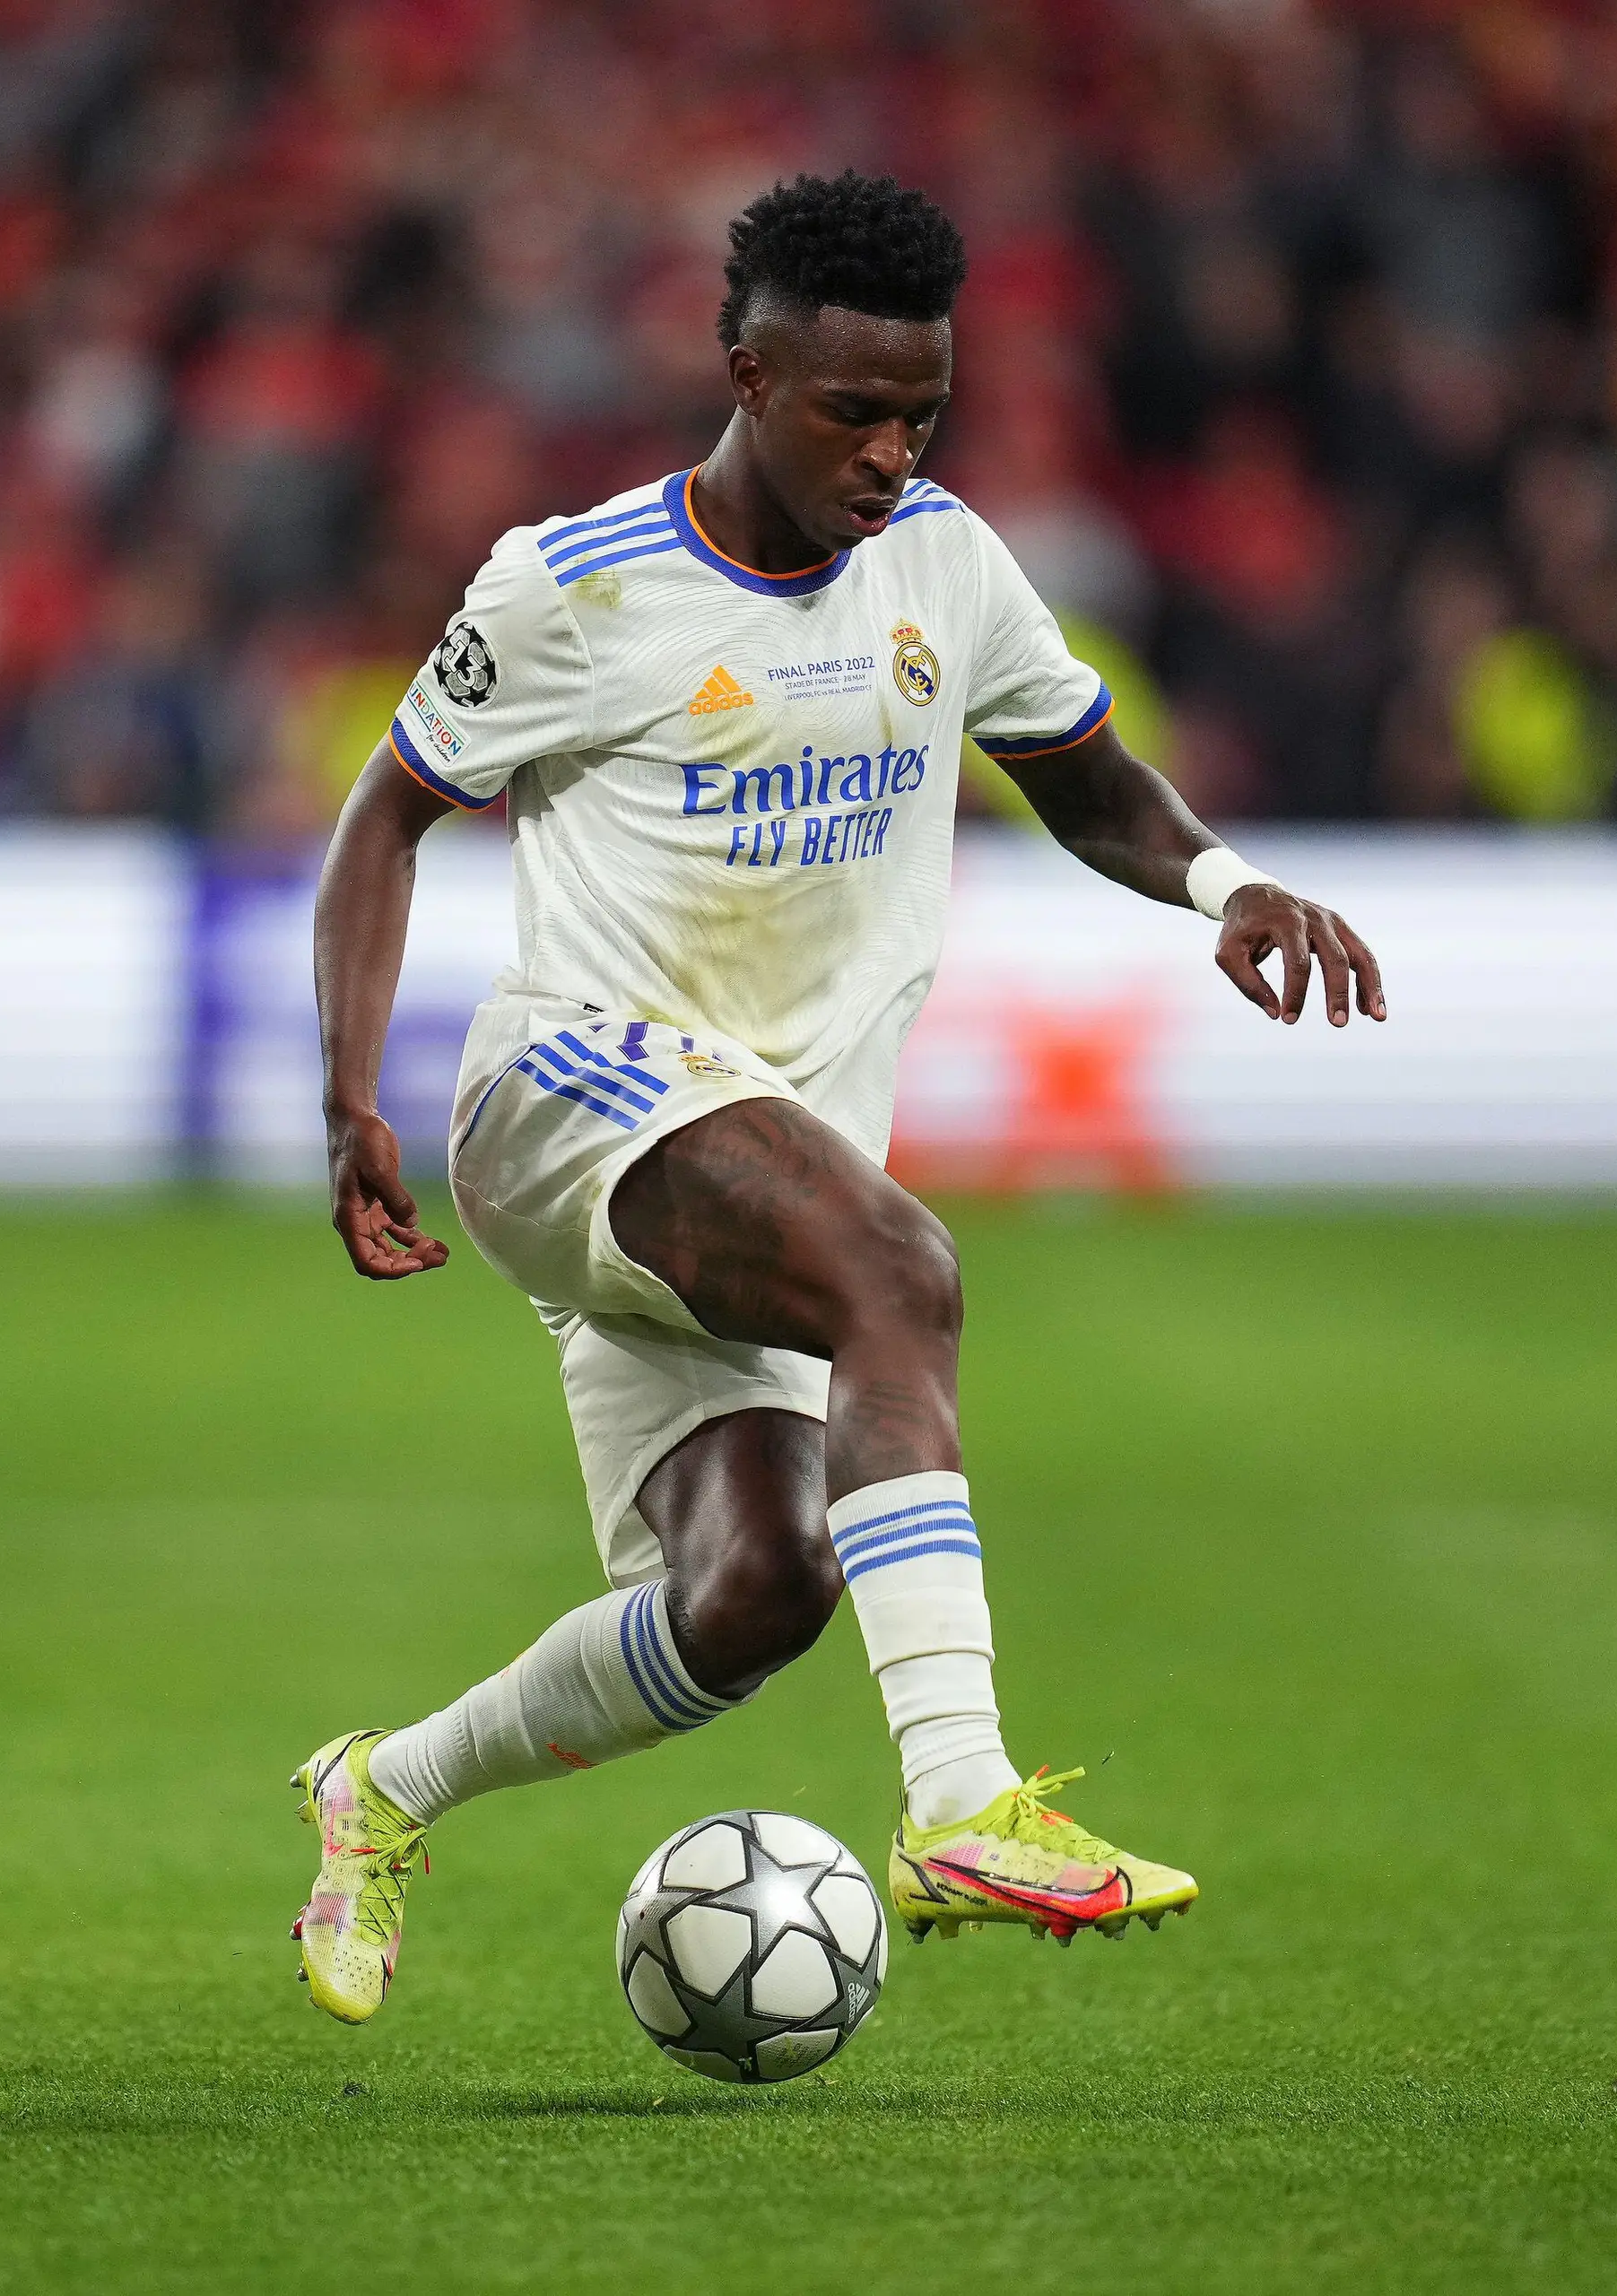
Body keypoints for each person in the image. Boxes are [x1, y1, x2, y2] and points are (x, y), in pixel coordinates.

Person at [292, 172, 1385, 2022]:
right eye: (851, 412)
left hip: (750, 1155)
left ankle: (382, 1786)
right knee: (905, 1268)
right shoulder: (568, 585)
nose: (888, 454)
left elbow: (1090, 779)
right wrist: (348, 1103)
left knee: (760, 1586)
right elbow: (381, 816)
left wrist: (1224, 882)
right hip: (571, 1088)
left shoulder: (946, 567)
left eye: (920, 417)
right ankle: (962, 1798)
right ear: (747, 371)